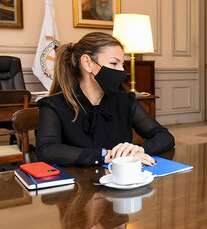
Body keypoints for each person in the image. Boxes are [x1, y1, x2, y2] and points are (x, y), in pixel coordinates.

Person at [36, 32, 175, 166]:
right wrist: (107, 155)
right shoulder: (53, 105)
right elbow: (47, 151)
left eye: (122, 65)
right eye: (114, 64)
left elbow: (165, 137)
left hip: (121, 183)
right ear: (87, 63)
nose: (121, 71)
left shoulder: (125, 101)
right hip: (78, 185)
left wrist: (138, 150)